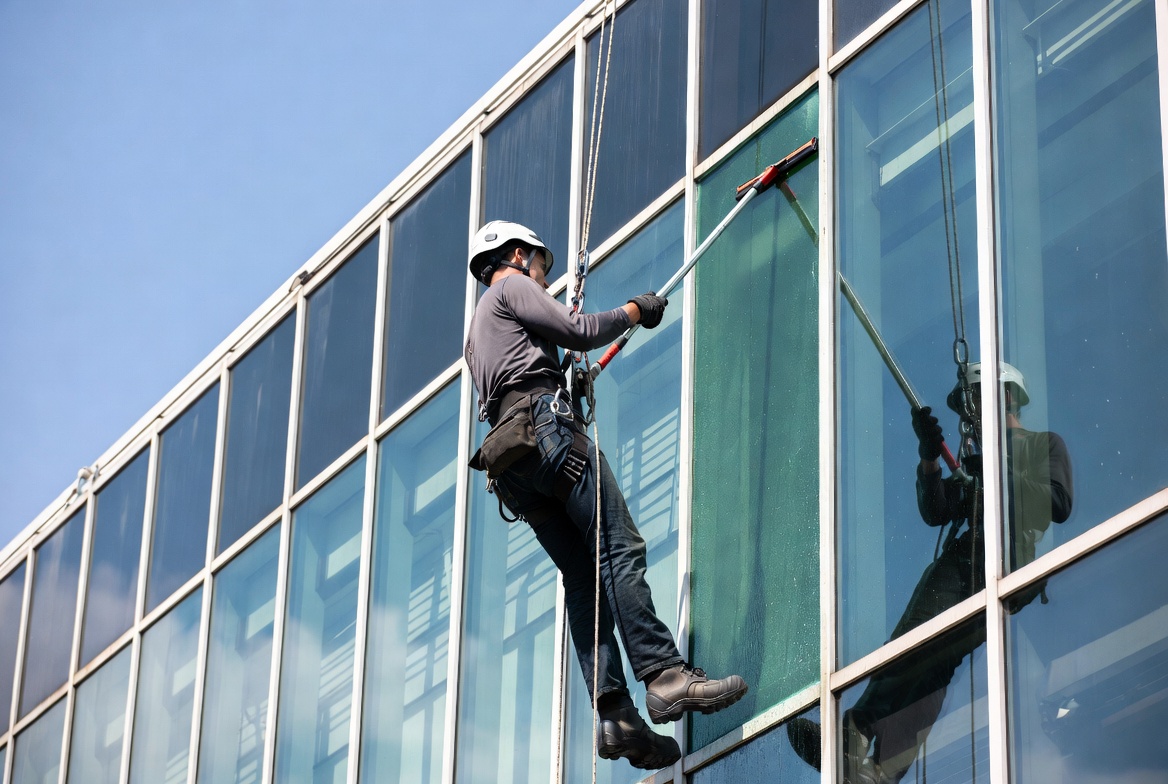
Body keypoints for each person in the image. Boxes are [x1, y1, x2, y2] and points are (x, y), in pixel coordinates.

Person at [464, 221, 748, 771]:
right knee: (619, 548)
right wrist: (636, 311)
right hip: (550, 436)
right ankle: (664, 674)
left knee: (582, 578)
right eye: (541, 270)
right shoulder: (511, 287)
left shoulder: (477, 331)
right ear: (518, 256)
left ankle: (614, 712)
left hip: (516, 464)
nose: (542, 281)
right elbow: (581, 329)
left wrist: (567, 381)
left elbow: (520, 377)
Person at [792, 361, 1073, 783]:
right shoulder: (976, 461)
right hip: (969, 558)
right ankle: (880, 770)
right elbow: (937, 510)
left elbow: (1057, 502)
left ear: (1008, 397)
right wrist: (929, 457)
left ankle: (853, 735)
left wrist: (993, 474)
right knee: (933, 664)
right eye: (965, 406)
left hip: (996, 563)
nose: (969, 414)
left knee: (913, 644)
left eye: (974, 400)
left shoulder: (1039, 446)